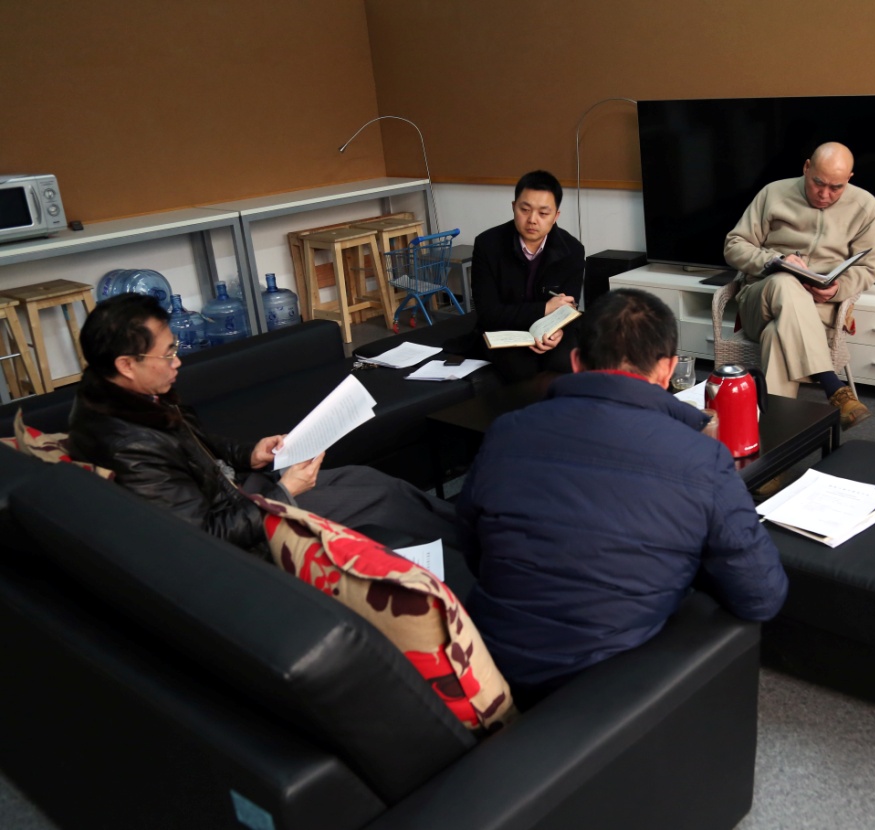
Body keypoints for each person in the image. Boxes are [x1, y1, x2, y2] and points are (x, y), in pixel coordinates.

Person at [456, 288, 788, 704]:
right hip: (608, 693)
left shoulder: (507, 431)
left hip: (485, 668)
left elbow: (473, 547)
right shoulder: (703, 458)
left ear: (577, 362)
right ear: (668, 370)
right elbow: (761, 596)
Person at [68, 293, 468, 558]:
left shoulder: (134, 395)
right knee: (383, 502)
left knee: (372, 480)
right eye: (168, 353)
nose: (178, 361)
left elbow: (198, 444)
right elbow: (204, 537)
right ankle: (475, 546)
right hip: (245, 522)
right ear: (126, 364)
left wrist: (250, 453)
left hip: (240, 491)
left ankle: (470, 529)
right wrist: (284, 493)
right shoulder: (128, 446)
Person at [724, 141, 875, 427]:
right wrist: (775, 260)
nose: (824, 194)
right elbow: (734, 246)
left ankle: (773, 439)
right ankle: (832, 385)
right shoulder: (773, 193)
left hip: (819, 311)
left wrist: (836, 289)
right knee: (784, 281)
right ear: (806, 168)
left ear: (849, 179)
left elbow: (868, 269)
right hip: (760, 301)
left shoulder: (865, 206)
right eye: (818, 183)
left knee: (776, 336)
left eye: (836, 187)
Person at [471, 169, 585, 383]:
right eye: (525, 210)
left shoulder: (573, 250)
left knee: (565, 362)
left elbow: (568, 309)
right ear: (514, 207)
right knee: (521, 367)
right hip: (504, 332)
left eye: (543, 213)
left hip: (549, 332)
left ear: (556, 216)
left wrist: (557, 331)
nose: (532, 220)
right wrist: (544, 309)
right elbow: (488, 313)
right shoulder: (487, 245)